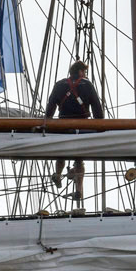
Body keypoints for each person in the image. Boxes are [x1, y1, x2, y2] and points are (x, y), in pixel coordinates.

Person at [44, 59, 103, 208]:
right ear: (81, 72)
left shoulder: (59, 84)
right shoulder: (87, 84)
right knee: (78, 159)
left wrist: (48, 121)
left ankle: (58, 174)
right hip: (82, 126)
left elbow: (50, 107)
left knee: (61, 153)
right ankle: (78, 190)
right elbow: (96, 107)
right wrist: (100, 124)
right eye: (85, 71)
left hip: (63, 125)